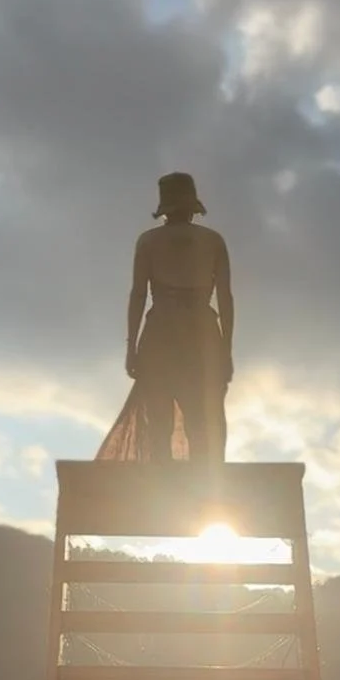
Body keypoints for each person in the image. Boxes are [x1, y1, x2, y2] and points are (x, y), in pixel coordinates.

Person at [95, 173, 234, 463]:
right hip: (201, 333)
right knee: (200, 421)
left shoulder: (149, 241)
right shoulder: (212, 241)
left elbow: (138, 295)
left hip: (161, 331)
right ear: (192, 205)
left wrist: (132, 347)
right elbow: (225, 299)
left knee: (160, 422)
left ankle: (165, 478)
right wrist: (225, 350)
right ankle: (198, 479)